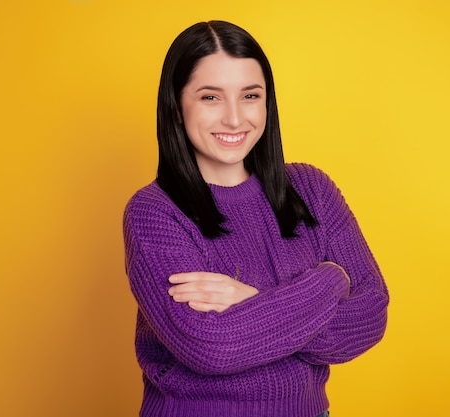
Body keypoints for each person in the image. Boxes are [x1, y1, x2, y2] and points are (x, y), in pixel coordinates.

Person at [123, 20, 389, 417]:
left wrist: (252, 301)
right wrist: (330, 278)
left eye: (250, 95)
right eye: (211, 97)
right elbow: (213, 348)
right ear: (177, 107)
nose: (234, 119)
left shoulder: (311, 189)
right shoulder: (154, 212)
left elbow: (369, 319)